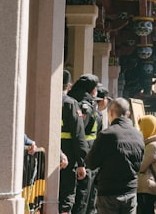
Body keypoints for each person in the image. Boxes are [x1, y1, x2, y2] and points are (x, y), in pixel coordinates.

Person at [86, 98, 144, 213]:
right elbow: (140, 163)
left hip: (108, 191)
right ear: (127, 114)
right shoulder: (138, 135)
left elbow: (91, 163)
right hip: (130, 190)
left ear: (111, 113)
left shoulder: (106, 134)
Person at [69, 74, 102, 214]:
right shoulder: (84, 107)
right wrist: (81, 161)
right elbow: (79, 135)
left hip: (87, 158)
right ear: (92, 90)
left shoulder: (84, 104)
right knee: (81, 200)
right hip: (83, 159)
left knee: (87, 199)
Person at [61, 70, 87, 213]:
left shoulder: (45, 99)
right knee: (66, 196)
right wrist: (82, 162)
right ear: (69, 86)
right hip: (68, 159)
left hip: (44, 156)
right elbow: (78, 135)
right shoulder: (71, 104)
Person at [137, 115, 156, 214]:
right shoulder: (152, 144)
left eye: (142, 128)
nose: (140, 131)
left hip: (147, 187)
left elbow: (141, 167)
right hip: (148, 186)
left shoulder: (153, 146)